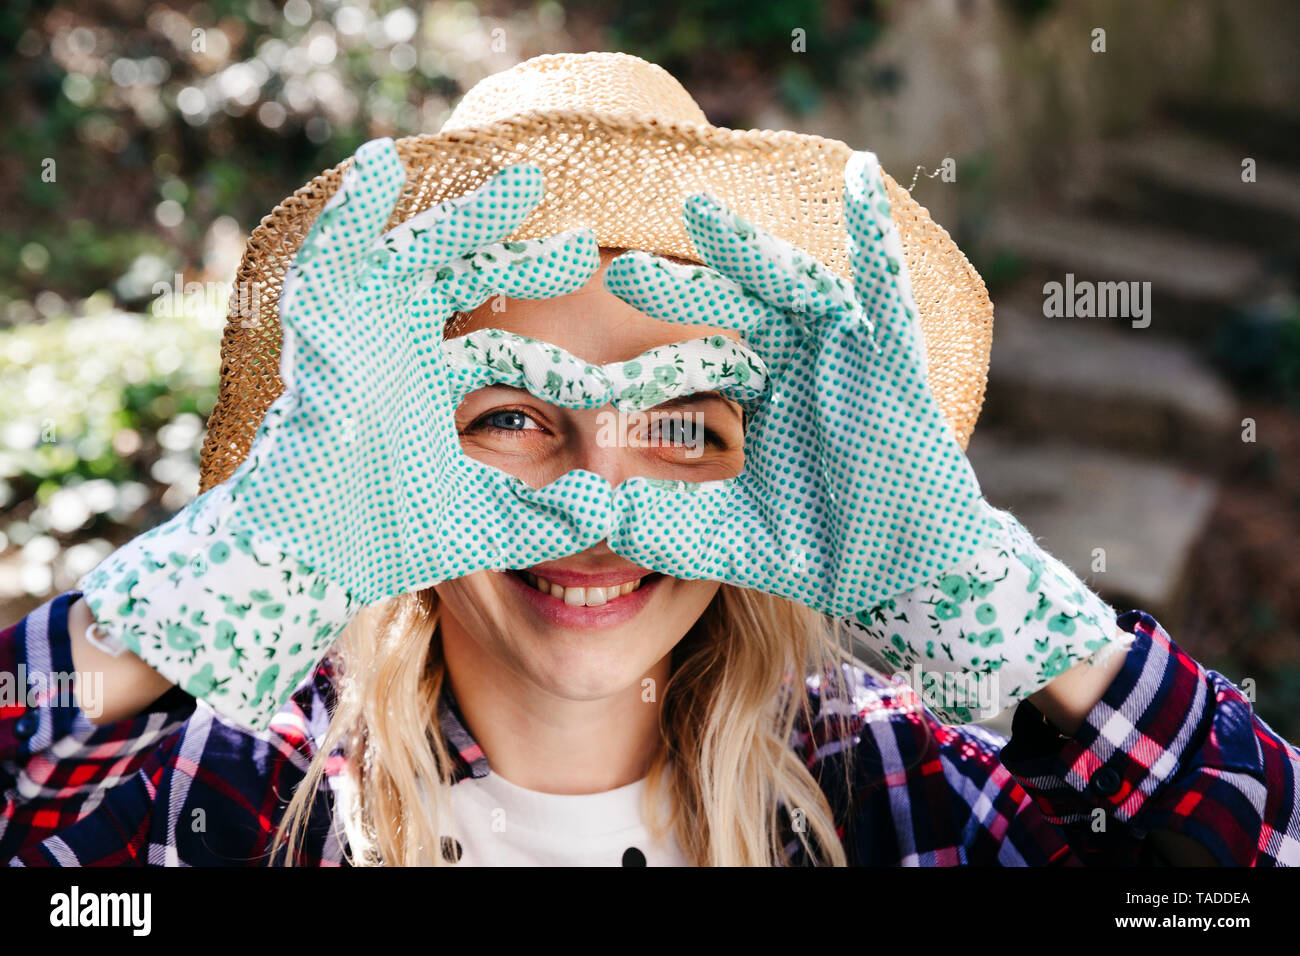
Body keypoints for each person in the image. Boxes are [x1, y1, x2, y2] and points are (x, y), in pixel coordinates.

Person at [3, 52, 1297, 868]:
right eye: (507, 412)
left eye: (682, 420)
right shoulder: (227, 788)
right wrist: (225, 574)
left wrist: (1014, 613)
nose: (596, 504)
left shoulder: (918, 793)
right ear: (381, 453)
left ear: (771, 453)